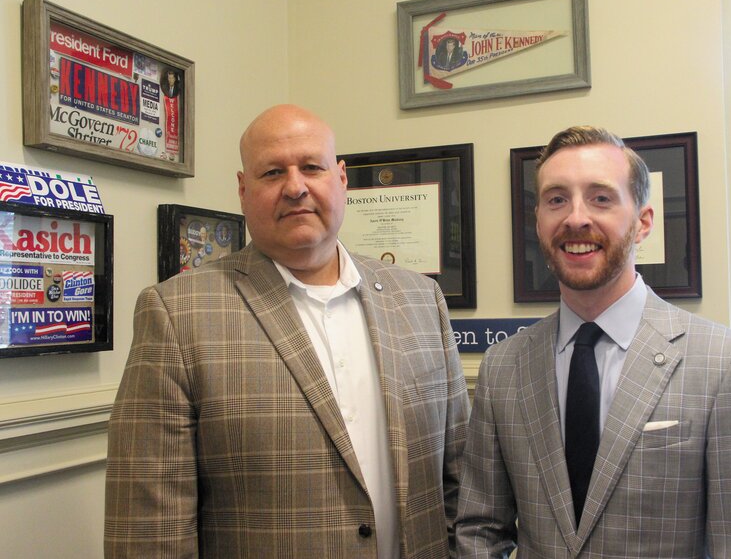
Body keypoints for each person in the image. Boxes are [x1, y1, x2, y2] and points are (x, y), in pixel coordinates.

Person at [105, 104, 470, 558]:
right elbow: (148, 533)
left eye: (311, 167)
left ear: (341, 179)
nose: (295, 187)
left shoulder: (420, 301)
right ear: (242, 189)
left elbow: (461, 479)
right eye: (273, 172)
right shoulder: (177, 315)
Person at [455, 126, 731, 557]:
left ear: (642, 222)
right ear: (538, 221)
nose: (576, 217)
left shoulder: (729, 366)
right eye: (557, 199)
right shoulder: (504, 367)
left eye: (601, 198)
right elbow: (480, 529)